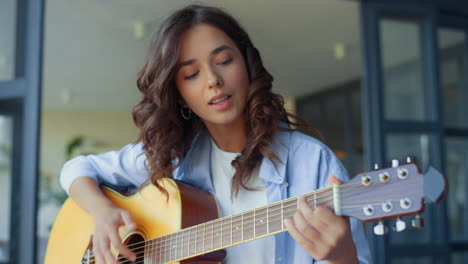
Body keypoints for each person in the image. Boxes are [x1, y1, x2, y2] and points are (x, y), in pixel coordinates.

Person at [60, 4, 371, 264]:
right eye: (191, 74)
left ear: (248, 66)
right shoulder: (170, 154)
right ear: (179, 95)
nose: (213, 80)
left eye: (224, 61)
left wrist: (343, 257)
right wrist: (103, 213)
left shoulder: (312, 163)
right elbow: (76, 169)